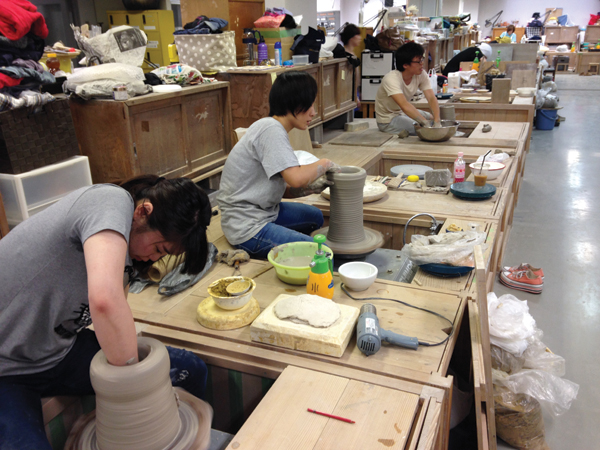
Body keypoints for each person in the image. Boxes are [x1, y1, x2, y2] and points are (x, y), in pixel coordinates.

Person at [0, 175, 212, 450]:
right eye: (159, 248)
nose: (155, 258)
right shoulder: (109, 202)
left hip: (56, 352)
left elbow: (115, 309)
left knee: (190, 369)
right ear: (143, 211)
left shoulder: (127, 248)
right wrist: (137, 387)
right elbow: (105, 301)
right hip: (6, 366)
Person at [217, 71, 340, 260]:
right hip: (247, 225)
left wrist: (308, 189)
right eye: (309, 105)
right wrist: (325, 163)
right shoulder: (270, 130)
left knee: (315, 217)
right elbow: (296, 178)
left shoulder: (273, 129)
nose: (313, 112)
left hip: (264, 212)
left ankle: (288, 249)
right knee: (320, 252)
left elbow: (280, 189)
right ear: (294, 103)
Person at [375, 42, 441, 136]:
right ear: (405, 65)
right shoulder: (391, 79)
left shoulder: (421, 74)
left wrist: (437, 120)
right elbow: (404, 105)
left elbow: (431, 98)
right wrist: (425, 123)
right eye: (418, 61)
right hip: (388, 119)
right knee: (424, 129)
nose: (422, 64)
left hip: (402, 113)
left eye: (422, 59)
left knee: (431, 117)